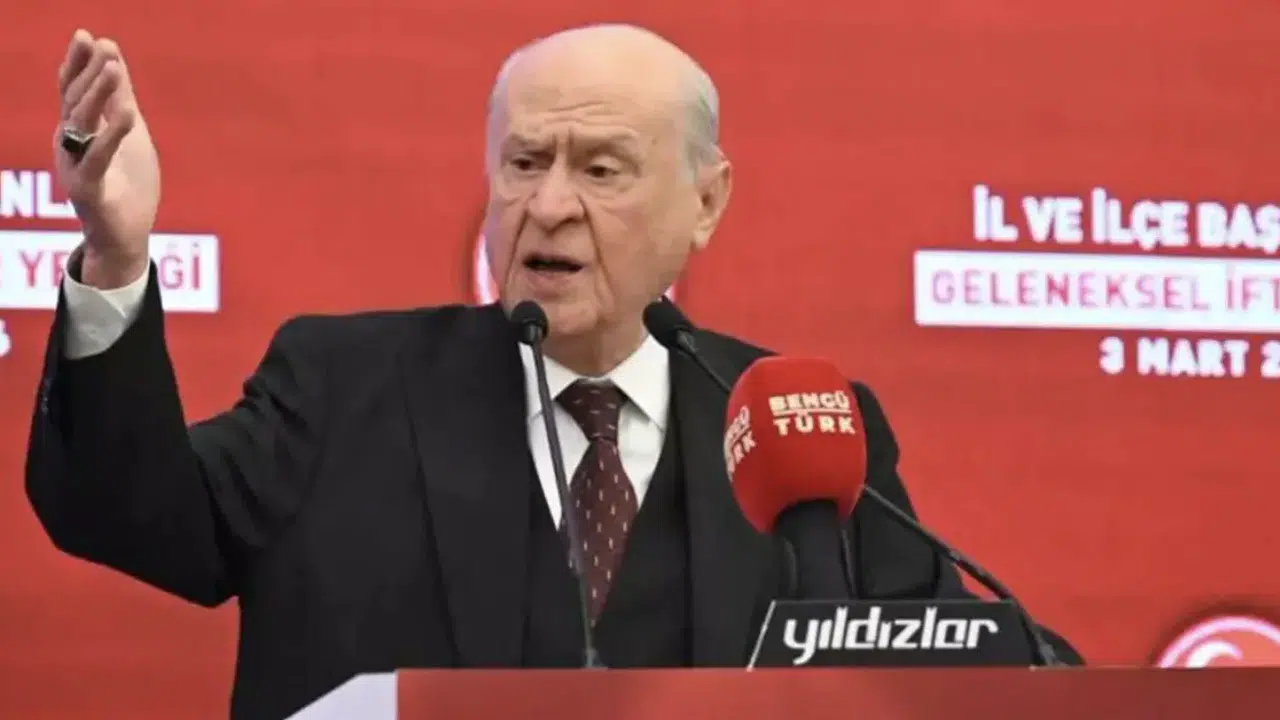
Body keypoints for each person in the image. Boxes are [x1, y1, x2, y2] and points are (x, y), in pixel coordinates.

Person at [27, 23, 1081, 720]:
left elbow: (959, 671)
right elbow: (125, 511)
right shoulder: (341, 386)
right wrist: (115, 257)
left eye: (601, 169)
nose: (549, 204)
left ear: (705, 202)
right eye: (524, 163)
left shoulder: (799, 424)